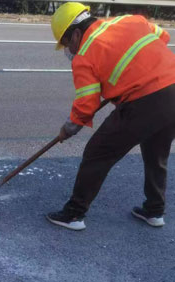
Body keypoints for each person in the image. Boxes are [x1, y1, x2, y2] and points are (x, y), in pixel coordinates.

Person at [46, 3, 175, 230]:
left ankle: (74, 214)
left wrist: (69, 129)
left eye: (67, 43)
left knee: (97, 153)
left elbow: (86, 104)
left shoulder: (84, 56)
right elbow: (161, 37)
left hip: (142, 101)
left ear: (76, 33)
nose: (69, 50)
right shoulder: (129, 20)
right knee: (156, 152)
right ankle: (155, 211)